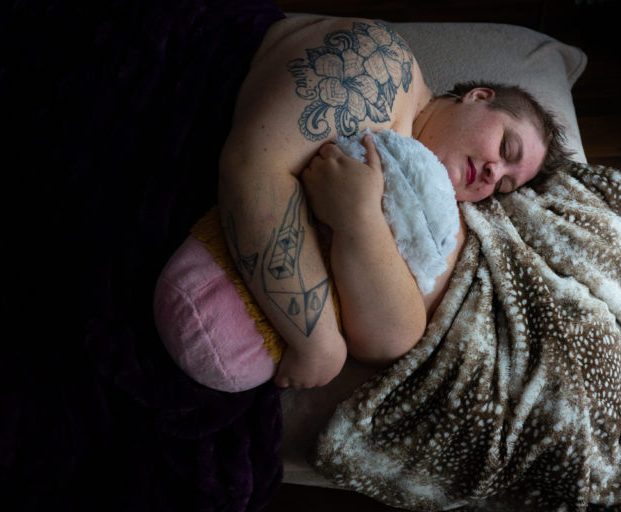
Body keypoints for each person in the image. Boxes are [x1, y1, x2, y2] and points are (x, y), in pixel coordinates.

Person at [218, 15, 570, 389]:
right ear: (479, 97)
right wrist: (318, 343)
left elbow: (392, 340)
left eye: (503, 185)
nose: (493, 175)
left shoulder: (439, 217)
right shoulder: (383, 63)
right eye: (505, 147)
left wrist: (361, 218)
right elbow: (250, 163)